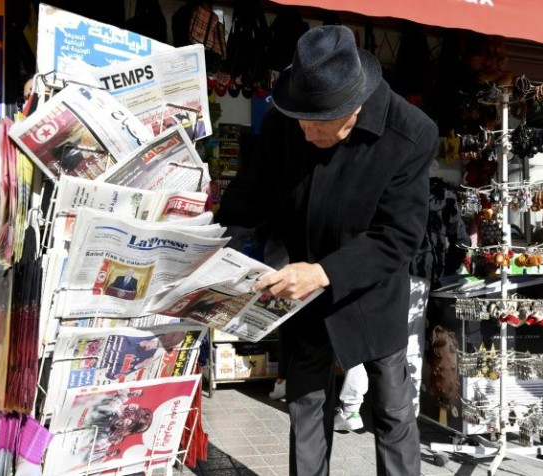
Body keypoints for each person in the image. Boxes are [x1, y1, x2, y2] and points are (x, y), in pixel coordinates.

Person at [216, 25, 438, 475]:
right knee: (307, 405)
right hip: (300, 289)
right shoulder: (287, 119)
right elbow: (248, 196)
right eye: (300, 117)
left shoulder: (411, 132)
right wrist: (211, 244)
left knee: (393, 410)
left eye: (319, 121)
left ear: (353, 108)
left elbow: (399, 235)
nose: (305, 129)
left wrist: (321, 273)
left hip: (370, 288)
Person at [334, 177, 470, 431]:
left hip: (384, 270)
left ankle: (351, 408)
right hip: (421, 275)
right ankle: (410, 408)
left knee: (366, 335)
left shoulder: (392, 181)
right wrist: (442, 270)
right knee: (412, 340)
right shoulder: (444, 195)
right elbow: (462, 241)